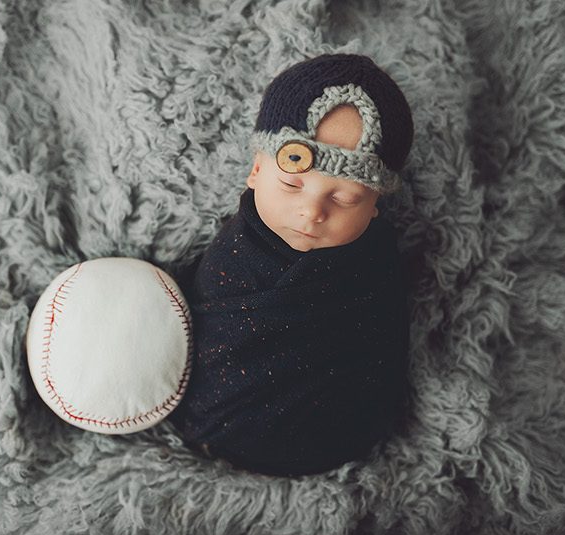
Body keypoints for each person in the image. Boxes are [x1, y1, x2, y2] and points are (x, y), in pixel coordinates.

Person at [167, 53, 414, 477]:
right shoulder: (235, 252)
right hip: (216, 429)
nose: (311, 212)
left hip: (334, 447)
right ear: (256, 170)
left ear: (375, 207)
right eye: (291, 184)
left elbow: (382, 357)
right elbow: (203, 334)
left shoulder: (375, 270)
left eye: (344, 199)